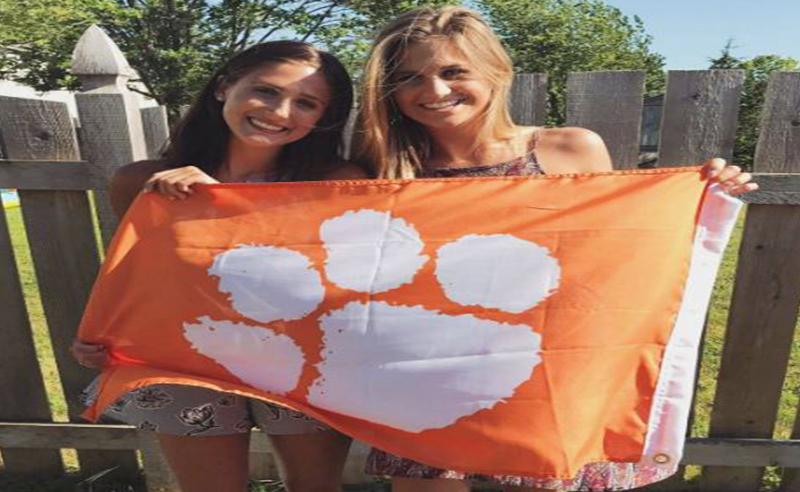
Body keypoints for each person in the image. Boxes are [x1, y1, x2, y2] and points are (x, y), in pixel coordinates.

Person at [353, 6, 757, 492]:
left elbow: (615, 252)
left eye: (454, 71)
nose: (435, 91)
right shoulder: (381, 169)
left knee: (549, 479)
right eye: (409, 78)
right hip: (427, 363)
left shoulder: (567, 150)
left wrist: (700, 195)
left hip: (548, 361)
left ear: (496, 71)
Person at [71, 40, 364, 492]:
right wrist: (104, 331)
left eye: (306, 103)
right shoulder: (143, 182)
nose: (280, 112)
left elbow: (354, 278)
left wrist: (222, 203)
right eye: (266, 91)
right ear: (224, 87)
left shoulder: (339, 185)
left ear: (323, 118)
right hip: (186, 363)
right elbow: (139, 275)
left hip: (304, 358)